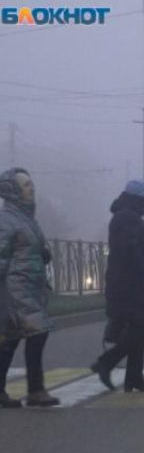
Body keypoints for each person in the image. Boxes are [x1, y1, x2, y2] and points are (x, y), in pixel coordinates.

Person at [90, 178, 144, 393]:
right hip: (129, 285)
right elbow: (130, 249)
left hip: (129, 283)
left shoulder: (128, 216)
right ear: (138, 198)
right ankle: (106, 363)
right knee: (140, 329)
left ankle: (134, 378)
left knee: (140, 330)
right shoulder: (128, 217)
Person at [0, 167, 59, 408]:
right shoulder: (7, 220)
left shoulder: (25, 218)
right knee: (37, 332)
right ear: (12, 191)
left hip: (29, 287)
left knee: (10, 340)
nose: (31, 188)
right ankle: (35, 390)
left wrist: (42, 254)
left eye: (31, 184)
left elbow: (28, 249)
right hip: (17, 288)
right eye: (25, 185)